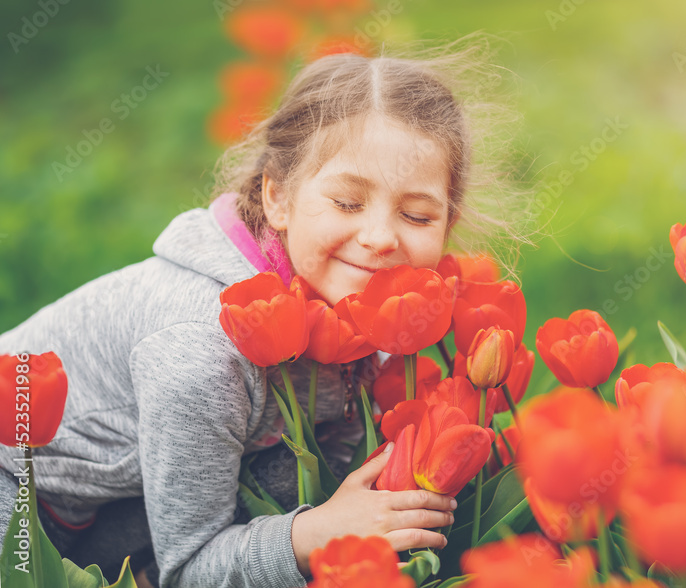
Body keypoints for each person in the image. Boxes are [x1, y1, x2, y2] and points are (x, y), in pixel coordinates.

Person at [0, 40, 526, 588]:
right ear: (277, 198)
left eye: (417, 215)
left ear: (448, 222)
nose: (379, 238)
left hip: (106, 525)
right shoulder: (201, 349)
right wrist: (312, 535)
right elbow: (191, 569)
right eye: (347, 203)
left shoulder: (369, 307)